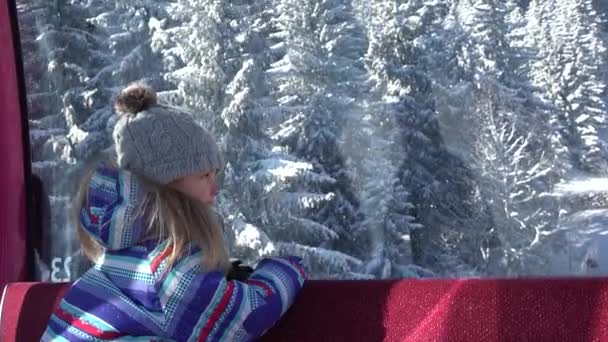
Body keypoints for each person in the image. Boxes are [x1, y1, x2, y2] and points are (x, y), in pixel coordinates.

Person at [42, 83, 306, 341]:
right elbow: (244, 320)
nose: (215, 188)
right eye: (204, 175)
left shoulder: (129, 250)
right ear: (166, 183)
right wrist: (288, 269)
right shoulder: (165, 262)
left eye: (215, 174)